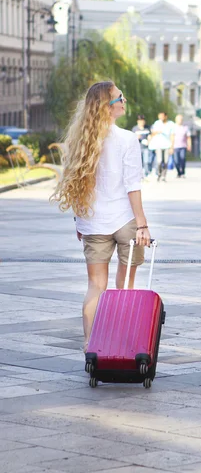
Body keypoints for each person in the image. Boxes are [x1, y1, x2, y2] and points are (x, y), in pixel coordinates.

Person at [50, 81, 151, 351]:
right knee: (125, 285)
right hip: (126, 220)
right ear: (108, 106)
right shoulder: (127, 139)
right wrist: (143, 225)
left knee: (95, 285)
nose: (124, 100)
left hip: (93, 221)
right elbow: (133, 185)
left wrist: (78, 219)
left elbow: (76, 184)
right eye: (120, 97)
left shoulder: (79, 140)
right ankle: (123, 341)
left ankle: (90, 344)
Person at [148, 111, 175, 182]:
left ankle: (164, 176)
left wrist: (172, 147)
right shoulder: (157, 123)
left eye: (162, 116)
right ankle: (159, 174)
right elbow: (152, 133)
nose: (161, 118)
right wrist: (157, 132)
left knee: (166, 161)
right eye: (159, 116)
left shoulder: (171, 124)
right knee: (159, 161)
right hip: (158, 145)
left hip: (167, 145)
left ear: (166, 116)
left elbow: (172, 136)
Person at [172, 114, 191, 178]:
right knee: (176, 161)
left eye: (181, 119)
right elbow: (171, 137)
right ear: (176, 120)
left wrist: (189, 145)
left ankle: (182, 172)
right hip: (175, 146)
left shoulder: (185, 127)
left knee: (182, 159)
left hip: (183, 146)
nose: (180, 121)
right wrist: (171, 147)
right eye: (179, 119)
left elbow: (188, 137)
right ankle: (178, 172)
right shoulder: (173, 127)